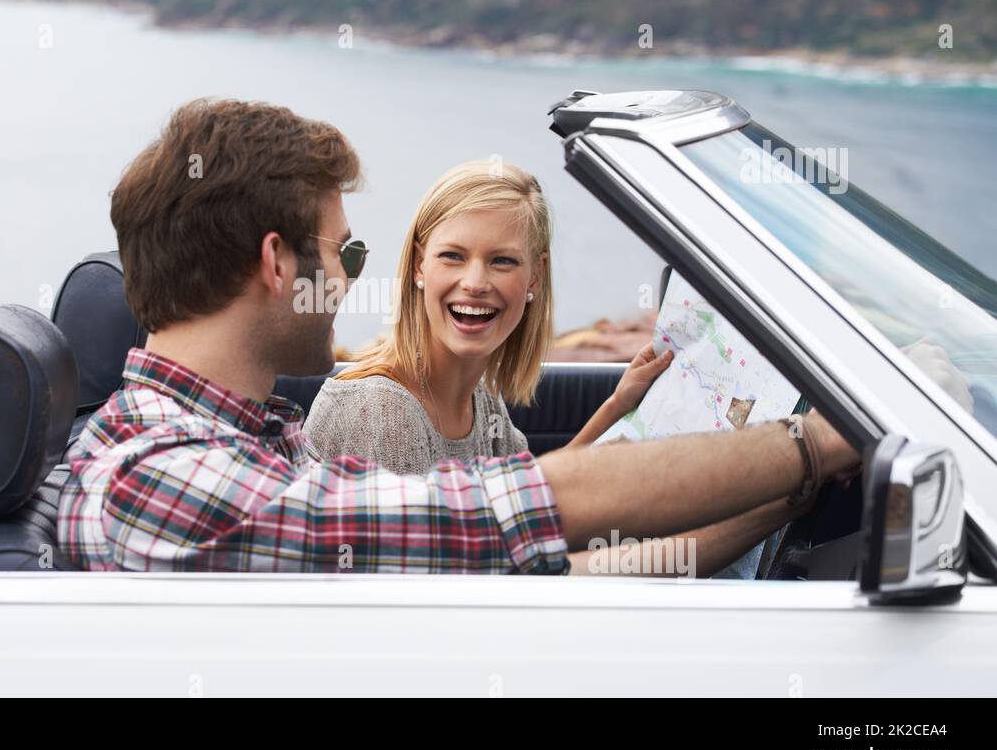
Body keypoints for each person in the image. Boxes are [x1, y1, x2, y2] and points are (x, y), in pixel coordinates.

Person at [57, 98, 860, 577]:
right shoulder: (155, 479)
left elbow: (532, 554)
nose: (347, 283)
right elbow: (519, 508)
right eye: (346, 253)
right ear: (277, 262)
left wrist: (774, 499)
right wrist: (823, 437)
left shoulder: (252, 439)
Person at [304, 159, 670, 474]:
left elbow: (527, 496)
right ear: (419, 265)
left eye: (502, 261)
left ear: (536, 277)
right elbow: (465, 551)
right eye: (453, 256)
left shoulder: (481, 400)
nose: (475, 283)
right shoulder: (382, 411)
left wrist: (618, 404)